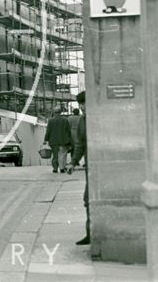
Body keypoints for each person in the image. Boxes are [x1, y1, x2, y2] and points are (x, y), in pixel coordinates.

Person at [66, 91, 89, 245]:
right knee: (87, 199)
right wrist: (73, 163)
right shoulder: (82, 121)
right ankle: (91, 233)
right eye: (80, 104)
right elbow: (80, 144)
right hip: (90, 167)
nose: (81, 106)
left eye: (84, 103)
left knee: (89, 199)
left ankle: (93, 233)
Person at [44, 106, 71, 173]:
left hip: (53, 141)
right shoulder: (65, 120)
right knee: (62, 155)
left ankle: (55, 169)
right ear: (60, 112)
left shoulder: (51, 120)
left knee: (55, 155)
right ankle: (62, 168)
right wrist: (70, 140)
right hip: (63, 140)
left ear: (54, 112)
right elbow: (68, 131)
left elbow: (48, 131)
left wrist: (45, 140)